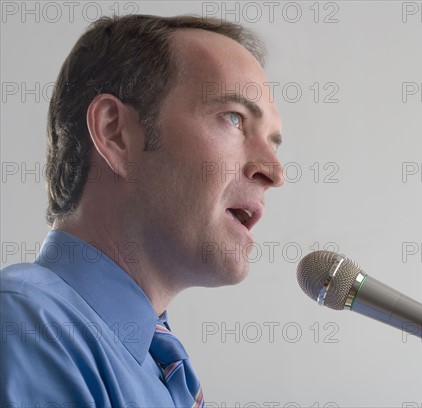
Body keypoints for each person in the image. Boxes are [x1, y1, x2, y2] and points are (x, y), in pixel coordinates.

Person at [0, 14, 284, 407]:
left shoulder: (159, 368)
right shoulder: (26, 324)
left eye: (273, 142)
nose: (273, 171)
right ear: (115, 133)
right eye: (234, 118)